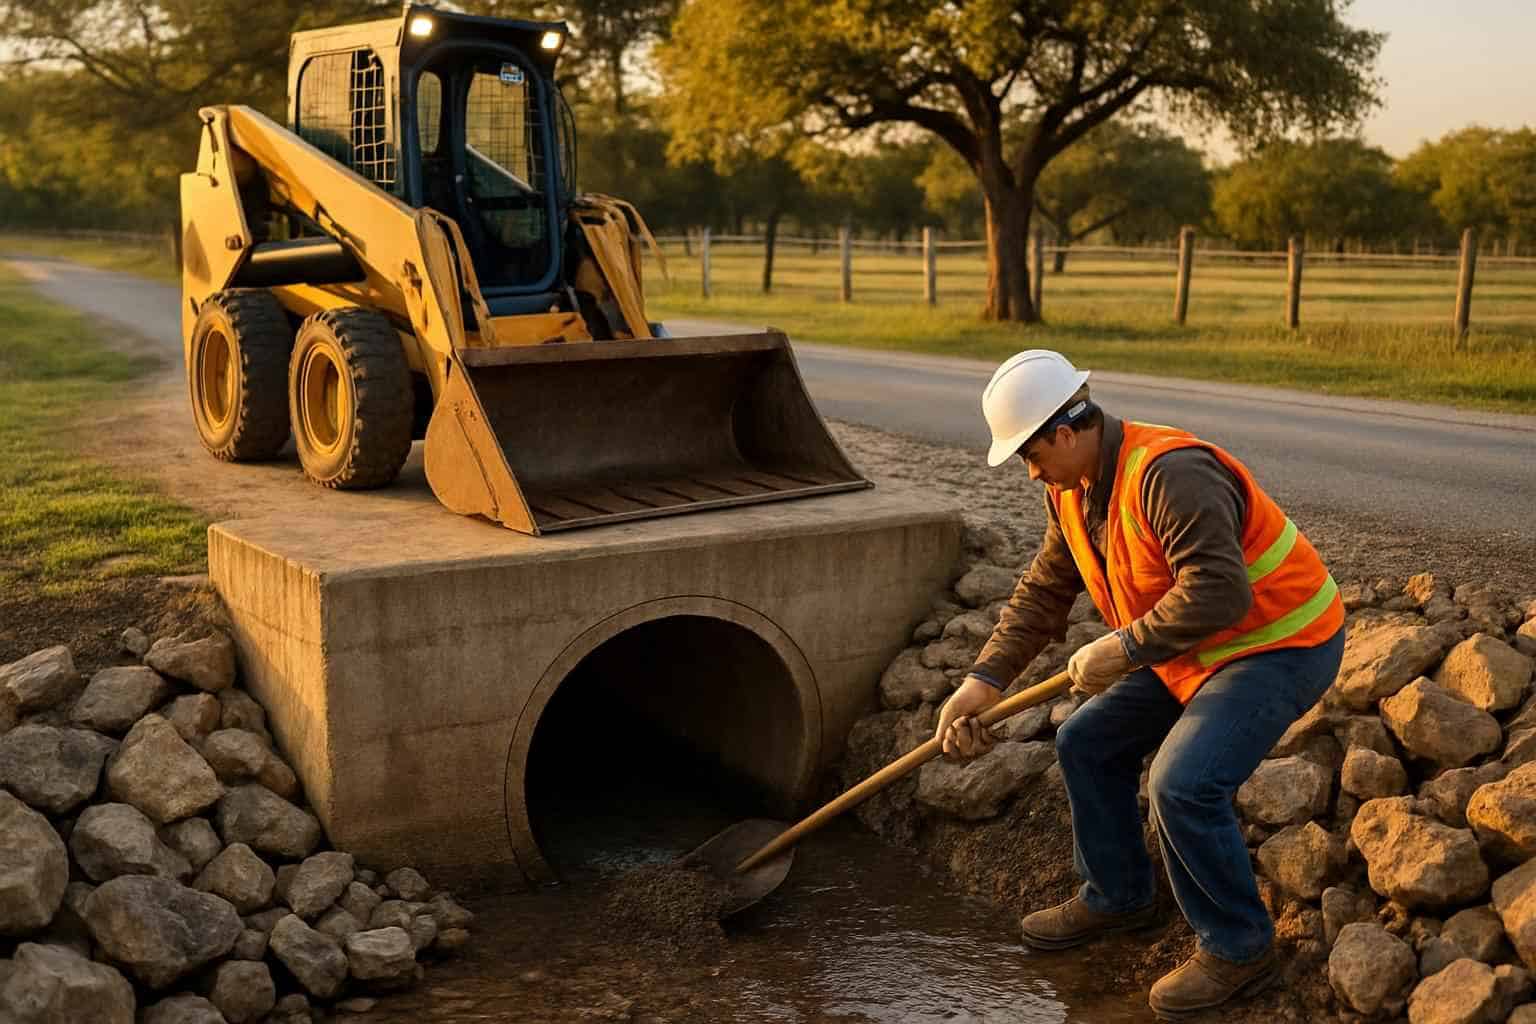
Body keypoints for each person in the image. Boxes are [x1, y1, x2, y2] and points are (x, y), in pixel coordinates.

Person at [935, 350, 1344, 1020]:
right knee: (1085, 740)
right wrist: (983, 680)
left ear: (1066, 431)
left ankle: (1240, 947)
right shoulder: (1071, 490)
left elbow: (1220, 592)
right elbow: (1045, 591)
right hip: (1193, 651)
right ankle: (1119, 896)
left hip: (1280, 644)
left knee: (1181, 783)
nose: (1031, 472)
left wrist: (1123, 647)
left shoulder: (1170, 473)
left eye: (1030, 455)